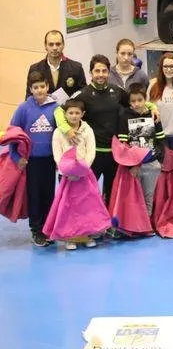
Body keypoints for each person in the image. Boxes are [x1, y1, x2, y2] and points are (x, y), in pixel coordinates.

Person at [56, 55, 134, 206]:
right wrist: (67, 130)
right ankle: (86, 225)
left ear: (108, 72)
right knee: (86, 192)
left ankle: (109, 225)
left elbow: (136, 103)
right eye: (97, 71)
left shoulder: (117, 91)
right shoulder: (83, 94)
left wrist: (152, 107)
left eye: (104, 71)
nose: (101, 74)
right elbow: (59, 111)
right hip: (92, 154)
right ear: (91, 72)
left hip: (114, 154)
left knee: (112, 193)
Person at [9, 71, 59, 247]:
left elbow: (60, 132)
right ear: (30, 89)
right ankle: (36, 230)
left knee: (49, 194)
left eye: (42, 87)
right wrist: (16, 157)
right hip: (32, 162)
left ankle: (47, 227)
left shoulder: (55, 107)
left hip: (50, 160)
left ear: (47, 87)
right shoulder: (23, 108)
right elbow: (13, 134)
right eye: (35, 87)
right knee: (34, 195)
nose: (39, 90)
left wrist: (60, 158)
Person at [50, 99, 105, 250]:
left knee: (86, 206)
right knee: (68, 207)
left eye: (77, 113)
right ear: (65, 114)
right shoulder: (58, 132)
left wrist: (82, 169)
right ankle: (71, 238)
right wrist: (67, 170)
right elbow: (57, 154)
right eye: (70, 113)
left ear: (83, 114)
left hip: (84, 175)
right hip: (66, 176)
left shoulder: (88, 130)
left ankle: (86, 235)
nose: (74, 116)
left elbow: (91, 151)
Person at [118, 83, 166, 215]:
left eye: (140, 100)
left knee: (149, 197)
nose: (137, 104)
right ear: (129, 102)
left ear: (146, 99)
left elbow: (160, 139)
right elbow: (124, 144)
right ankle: (136, 226)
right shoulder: (124, 117)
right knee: (134, 198)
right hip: (134, 167)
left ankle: (147, 225)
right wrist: (131, 166)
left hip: (152, 164)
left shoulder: (153, 115)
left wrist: (159, 161)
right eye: (133, 101)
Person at [25, 30, 86, 101]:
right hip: (42, 111)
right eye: (51, 44)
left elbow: (83, 95)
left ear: (63, 45)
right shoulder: (35, 69)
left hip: (67, 111)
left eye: (58, 44)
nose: (54, 48)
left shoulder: (76, 68)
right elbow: (29, 97)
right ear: (45, 46)